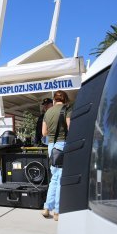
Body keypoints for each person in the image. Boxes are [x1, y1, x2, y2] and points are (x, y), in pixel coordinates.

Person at [41, 90, 71, 221]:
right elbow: (71, 128)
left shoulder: (48, 112)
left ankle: (47, 207)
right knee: (60, 179)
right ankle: (57, 211)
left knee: (54, 178)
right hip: (62, 145)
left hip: (51, 146)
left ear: (54, 99)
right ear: (65, 99)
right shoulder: (66, 110)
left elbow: (44, 133)